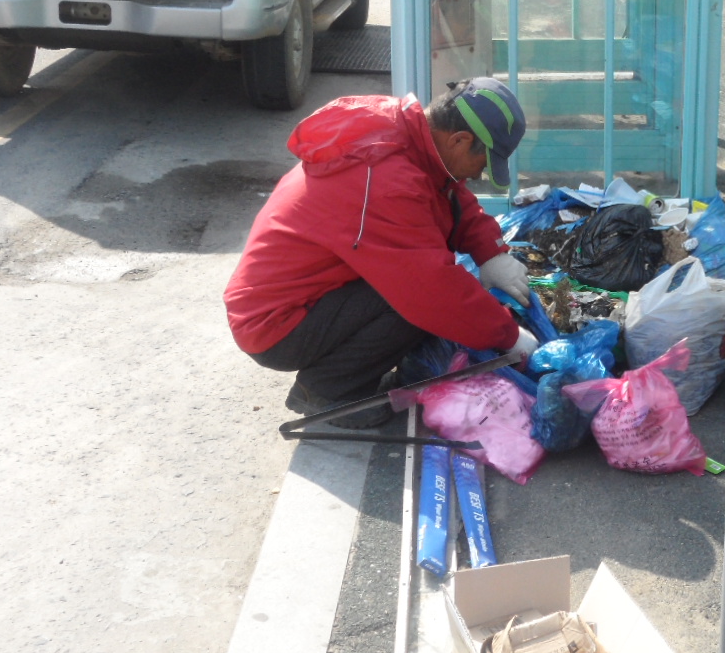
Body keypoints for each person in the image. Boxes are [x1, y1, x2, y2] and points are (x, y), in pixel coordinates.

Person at [224, 80, 539, 421]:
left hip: (301, 295)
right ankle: (328, 392)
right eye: (484, 162)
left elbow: (448, 194)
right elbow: (431, 290)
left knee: (423, 295)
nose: (479, 174)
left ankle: (347, 373)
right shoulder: (385, 179)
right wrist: (507, 336)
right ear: (459, 140)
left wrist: (491, 251)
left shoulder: (406, 135)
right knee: (417, 301)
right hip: (274, 323)